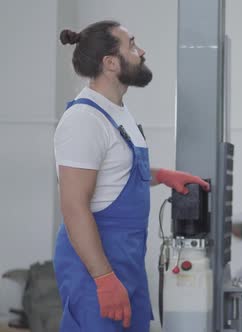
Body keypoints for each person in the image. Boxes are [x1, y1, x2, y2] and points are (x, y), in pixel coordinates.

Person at [53, 20, 209, 331]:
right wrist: (103, 278)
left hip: (127, 262)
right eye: (133, 46)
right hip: (94, 266)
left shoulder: (117, 112)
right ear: (110, 63)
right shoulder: (83, 120)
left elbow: (114, 174)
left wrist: (162, 175)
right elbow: (74, 207)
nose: (142, 51)